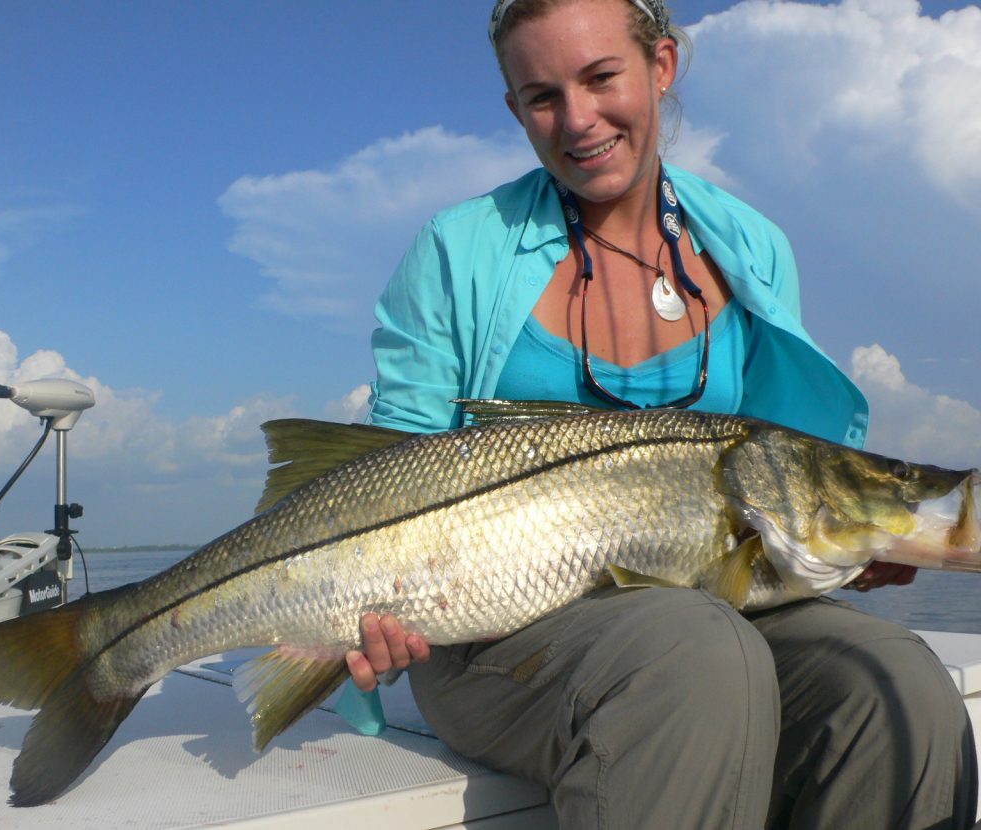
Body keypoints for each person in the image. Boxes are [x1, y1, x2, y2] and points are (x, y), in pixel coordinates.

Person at [344, 0, 979, 827]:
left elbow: (772, 471)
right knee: (694, 652)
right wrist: (361, 610)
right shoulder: (454, 248)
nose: (577, 119)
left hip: (719, 615)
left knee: (896, 682)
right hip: (493, 639)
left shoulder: (751, 246)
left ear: (662, 66)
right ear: (513, 109)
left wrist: (842, 544)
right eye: (540, 96)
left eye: (601, 76)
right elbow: (390, 471)